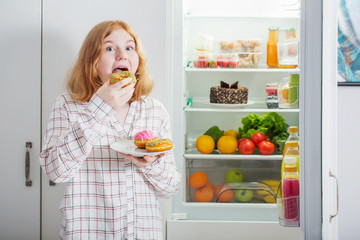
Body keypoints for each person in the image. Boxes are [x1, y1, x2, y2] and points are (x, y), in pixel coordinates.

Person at [40, 20, 181, 240]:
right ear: (92, 61)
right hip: (88, 232)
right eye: (109, 48)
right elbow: (56, 172)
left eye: (129, 47)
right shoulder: (68, 105)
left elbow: (171, 188)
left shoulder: (154, 110)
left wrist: (150, 165)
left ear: (137, 60)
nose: (122, 55)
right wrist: (101, 107)